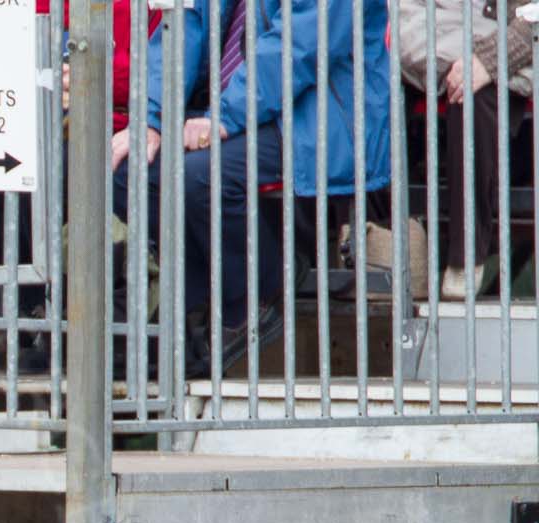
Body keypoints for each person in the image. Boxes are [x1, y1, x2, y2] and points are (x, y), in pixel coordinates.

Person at [111, 0, 392, 370]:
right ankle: (199, 304)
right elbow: (182, 21)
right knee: (129, 174)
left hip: (319, 115)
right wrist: (151, 117)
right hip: (241, 107)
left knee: (200, 176)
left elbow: (300, 45)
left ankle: (257, 291)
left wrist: (226, 116)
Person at [396, 0, 532, 300]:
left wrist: (489, 59)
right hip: (430, 38)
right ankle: (379, 244)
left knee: (473, 93)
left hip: (513, 41)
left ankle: (466, 258)